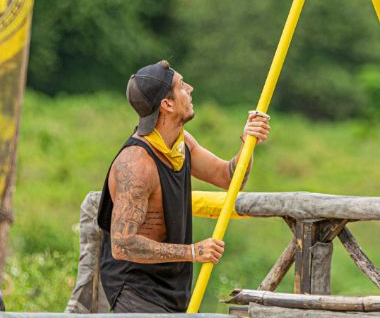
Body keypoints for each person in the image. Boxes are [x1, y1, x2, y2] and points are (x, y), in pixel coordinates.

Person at [96, 60, 271, 312]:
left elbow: (230, 178)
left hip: (174, 288)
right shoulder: (136, 164)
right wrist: (192, 252)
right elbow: (122, 245)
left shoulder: (182, 144)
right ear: (167, 104)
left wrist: (248, 142)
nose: (190, 88)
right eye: (181, 86)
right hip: (136, 292)